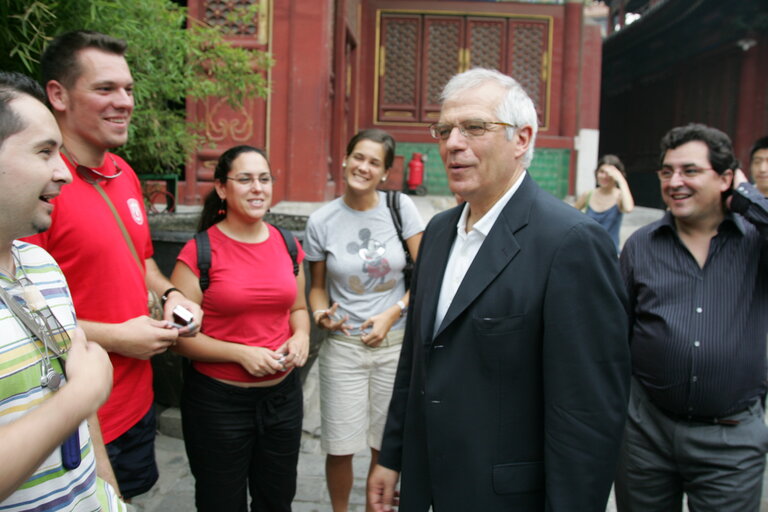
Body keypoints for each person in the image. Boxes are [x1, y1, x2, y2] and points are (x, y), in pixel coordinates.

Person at [367, 68, 631, 511]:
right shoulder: (438, 231)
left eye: (474, 127)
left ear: (522, 139)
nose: (452, 143)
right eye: (445, 129)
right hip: (427, 483)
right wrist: (393, 454)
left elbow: (587, 414)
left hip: (506, 497)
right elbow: (416, 361)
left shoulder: (571, 243)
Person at [22, 30, 203, 500]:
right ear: (58, 95)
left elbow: (141, 257)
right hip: (73, 416)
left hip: (135, 401)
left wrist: (171, 294)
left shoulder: (122, 173)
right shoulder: (35, 191)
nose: (124, 102)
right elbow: (16, 315)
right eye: (105, 89)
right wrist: (118, 336)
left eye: (127, 89)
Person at [615, 123, 768, 512]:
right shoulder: (641, 246)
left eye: (690, 171)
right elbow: (615, 331)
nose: (674, 182)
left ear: (726, 178)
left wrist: (747, 199)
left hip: (730, 440)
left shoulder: (756, 242)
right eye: (666, 172)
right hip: (646, 434)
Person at [0, 71, 124, 510]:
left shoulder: (39, 263)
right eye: (44, 152)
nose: (63, 173)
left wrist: (110, 496)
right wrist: (79, 398)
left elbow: (82, 406)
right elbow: (82, 393)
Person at [169, 145, 310, 511]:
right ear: (221, 188)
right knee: (221, 502)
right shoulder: (198, 252)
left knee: (277, 500)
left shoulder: (287, 243)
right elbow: (179, 341)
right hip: (218, 404)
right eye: (245, 179)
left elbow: (298, 307)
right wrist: (240, 353)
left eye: (264, 179)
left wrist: (302, 336)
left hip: (282, 399)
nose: (257, 188)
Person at [305, 129, 424, 512]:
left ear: (385, 172)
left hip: (394, 346)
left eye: (374, 162)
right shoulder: (321, 220)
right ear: (345, 159)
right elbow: (318, 288)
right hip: (343, 349)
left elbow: (427, 274)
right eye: (358, 157)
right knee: (339, 446)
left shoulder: (400, 207)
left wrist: (394, 312)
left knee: (383, 445)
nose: (363, 167)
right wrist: (321, 314)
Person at [573, 154, 635, 250]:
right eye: (602, 172)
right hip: (587, 251)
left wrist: (621, 179)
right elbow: (571, 217)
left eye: (609, 173)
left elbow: (628, 208)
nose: (605, 176)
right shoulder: (588, 195)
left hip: (609, 254)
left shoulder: (619, 197)